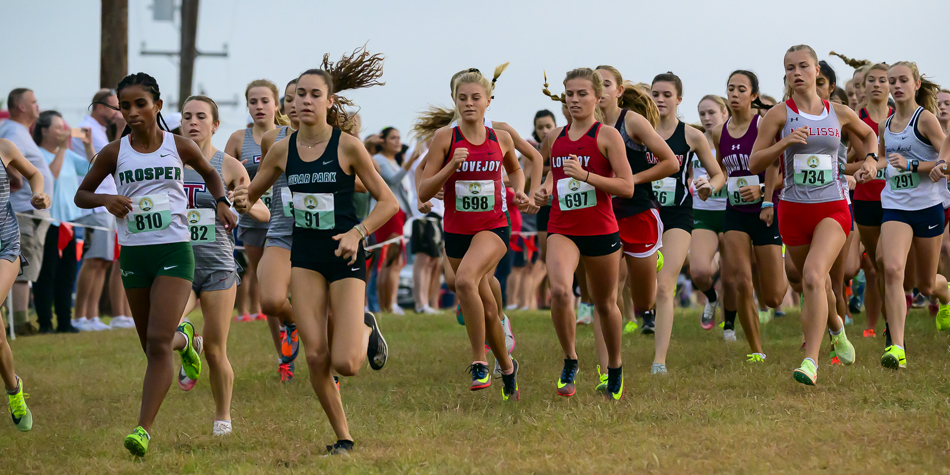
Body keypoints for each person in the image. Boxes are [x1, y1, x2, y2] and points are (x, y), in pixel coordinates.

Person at [233, 47, 393, 455]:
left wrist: (359, 232)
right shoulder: (282, 150)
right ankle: (344, 437)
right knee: (316, 355)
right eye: (298, 94)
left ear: (329, 101)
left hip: (343, 253)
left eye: (313, 94)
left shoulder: (348, 146)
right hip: (304, 256)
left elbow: (389, 202)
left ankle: (365, 328)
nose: (304, 101)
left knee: (347, 364)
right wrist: (238, 199)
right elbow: (251, 196)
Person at [75, 72, 237, 456]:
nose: (132, 112)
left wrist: (222, 202)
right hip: (134, 254)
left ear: (158, 106)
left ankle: (142, 430)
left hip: (174, 252)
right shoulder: (114, 153)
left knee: (156, 341)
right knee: (153, 348)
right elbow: (83, 194)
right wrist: (106, 201)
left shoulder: (178, 146)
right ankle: (187, 342)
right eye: (125, 106)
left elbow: (213, 174)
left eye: (140, 104)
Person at [750, 45, 876, 385]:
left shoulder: (839, 112)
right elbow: (755, 162)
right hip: (793, 209)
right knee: (816, 283)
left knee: (813, 275)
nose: (796, 73)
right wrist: (784, 143)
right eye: (790, 67)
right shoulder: (777, 115)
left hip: (833, 206)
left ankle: (810, 362)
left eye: (803, 66)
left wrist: (871, 160)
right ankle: (836, 326)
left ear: (816, 70)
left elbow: (868, 135)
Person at [419, 65, 527, 401]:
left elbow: (516, 169)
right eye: (462, 98)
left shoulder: (501, 138)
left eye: (475, 98)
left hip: (493, 227)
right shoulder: (445, 139)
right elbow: (424, 190)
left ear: (488, 101)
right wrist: (451, 166)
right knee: (488, 309)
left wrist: (520, 191)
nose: (469, 103)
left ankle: (479, 361)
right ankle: (508, 369)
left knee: (464, 280)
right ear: (454, 100)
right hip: (456, 232)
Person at [534, 67, 635, 400]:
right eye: (569, 94)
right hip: (562, 227)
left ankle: (615, 367)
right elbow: (556, 177)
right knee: (561, 291)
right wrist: (544, 189)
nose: (574, 100)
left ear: (597, 97)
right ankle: (570, 358)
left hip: (600, 229)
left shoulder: (607, 136)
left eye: (581, 94)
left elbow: (626, 187)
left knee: (606, 303)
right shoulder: (556, 138)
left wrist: (588, 176)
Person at [176, 95, 269, 435]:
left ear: (215, 125)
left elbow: (263, 212)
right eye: (187, 116)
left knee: (216, 351)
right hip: (178, 264)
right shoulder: (169, 162)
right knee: (164, 330)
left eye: (201, 116)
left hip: (217, 266)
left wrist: (243, 204)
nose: (193, 122)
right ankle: (188, 344)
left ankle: (222, 418)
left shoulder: (228, 165)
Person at [871, 62, 950, 370]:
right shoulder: (885, 125)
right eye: (893, 81)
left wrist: (914, 166)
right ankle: (897, 347)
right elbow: (882, 158)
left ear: (917, 84)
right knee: (891, 270)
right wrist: (869, 168)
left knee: (926, 284)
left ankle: (944, 293)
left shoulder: (926, 119)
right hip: (895, 206)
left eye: (903, 80)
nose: (897, 85)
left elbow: (945, 161)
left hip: (928, 207)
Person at [594, 66, 678, 342]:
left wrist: (628, 180)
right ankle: (607, 368)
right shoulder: (585, 127)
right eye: (595, 85)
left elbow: (670, 162)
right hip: (603, 216)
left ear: (619, 91)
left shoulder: (631, 122)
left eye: (606, 84)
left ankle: (653, 259)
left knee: (645, 301)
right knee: (606, 293)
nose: (599, 90)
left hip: (638, 212)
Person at [649, 73, 725, 373]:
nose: (660, 99)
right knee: (642, 290)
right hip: (643, 214)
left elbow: (718, 174)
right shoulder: (638, 131)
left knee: (664, 285)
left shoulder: (691, 136)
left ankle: (659, 362)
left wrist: (710, 186)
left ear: (679, 99)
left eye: (667, 94)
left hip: (677, 217)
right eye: (655, 94)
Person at [710, 70, 787, 356]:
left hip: (765, 211)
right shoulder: (719, 132)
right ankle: (757, 351)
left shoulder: (764, 125)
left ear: (754, 95)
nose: (734, 94)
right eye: (730, 88)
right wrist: (710, 184)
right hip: (734, 213)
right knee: (740, 280)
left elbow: (780, 169)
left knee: (774, 296)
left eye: (741, 89)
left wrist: (765, 195)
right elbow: (720, 170)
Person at [71, 89, 134, 331]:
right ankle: (80, 317)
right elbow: (102, 163)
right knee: (94, 259)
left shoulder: (98, 131)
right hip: (95, 204)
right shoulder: (85, 128)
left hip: (105, 204)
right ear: (98, 107)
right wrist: (120, 128)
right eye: (114, 107)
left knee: (104, 261)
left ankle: (92, 315)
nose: (118, 112)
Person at [0, 137, 51, 431]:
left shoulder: (4, 147)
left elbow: (34, 174)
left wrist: (39, 194)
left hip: (5, 244)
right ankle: (13, 388)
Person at [225, 79, 286, 322]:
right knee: (266, 284)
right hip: (253, 223)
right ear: (247, 106)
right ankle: (283, 355)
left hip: (286, 220)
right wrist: (234, 188)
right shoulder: (239, 138)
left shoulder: (289, 136)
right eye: (253, 102)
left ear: (276, 105)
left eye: (265, 101)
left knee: (286, 287)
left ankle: (291, 323)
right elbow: (222, 176)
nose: (259, 106)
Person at [0, 88, 53, 336]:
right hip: (22, 214)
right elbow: (13, 169)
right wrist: (15, 180)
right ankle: (18, 322)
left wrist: (38, 192)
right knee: (23, 270)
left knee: (25, 268)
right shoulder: (13, 131)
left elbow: (33, 172)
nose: (37, 106)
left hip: (18, 221)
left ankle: (17, 321)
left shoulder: (12, 137)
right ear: (20, 106)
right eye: (33, 102)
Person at [258, 78, 301, 382]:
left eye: (303, 97)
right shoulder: (272, 140)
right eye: (289, 99)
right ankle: (293, 321)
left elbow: (366, 184)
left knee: (328, 311)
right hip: (281, 231)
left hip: (322, 236)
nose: (296, 105)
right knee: (271, 301)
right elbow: (263, 181)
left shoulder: (337, 139)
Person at [32, 111, 91, 334]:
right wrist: (64, 148)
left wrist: (88, 146)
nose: (62, 131)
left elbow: (92, 169)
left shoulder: (67, 155)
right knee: (47, 273)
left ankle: (65, 321)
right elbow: (50, 178)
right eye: (58, 127)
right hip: (48, 223)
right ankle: (45, 322)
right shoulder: (37, 154)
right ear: (44, 130)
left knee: (67, 273)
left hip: (70, 222)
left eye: (63, 126)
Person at [852, 62, 894, 338]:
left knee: (889, 263)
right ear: (863, 86)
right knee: (877, 266)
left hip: (897, 198)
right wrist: (867, 166)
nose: (877, 84)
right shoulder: (855, 118)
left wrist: (882, 164)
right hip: (865, 199)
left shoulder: (900, 116)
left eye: (882, 80)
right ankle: (877, 325)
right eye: (871, 80)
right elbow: (852, 160)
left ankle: (891, 322)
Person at [693, 95, 731, 330]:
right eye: (702, 114)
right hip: (703, 213)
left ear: (725, 113)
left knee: (731, 276)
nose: (707, 118)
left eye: (711, 113)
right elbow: (688, 173)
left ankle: (729, 326)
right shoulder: (695, 141)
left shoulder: (731, 141)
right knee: (699, 272)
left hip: (730, 212)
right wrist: (693, 183)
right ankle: (712, 297)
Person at [372, 126, 417, 315]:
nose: (398, 141)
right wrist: (409, 163)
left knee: (394, 261)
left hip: (399, 214)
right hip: (389, 214)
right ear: (383, 141)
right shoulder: (378, 159)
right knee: (391, 260)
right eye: (393, 138)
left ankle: (389, 303)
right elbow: (392, 180)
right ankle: (388, 304)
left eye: (399, 138)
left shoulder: (394, 161)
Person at [407, 140, 443, 314]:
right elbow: (418, 180)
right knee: (423, 259)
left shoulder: (441, 155)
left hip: (439, 213)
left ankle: (428, 303)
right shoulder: (421, 155)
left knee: (434, 261)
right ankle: (420, 303)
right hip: (424, 213)